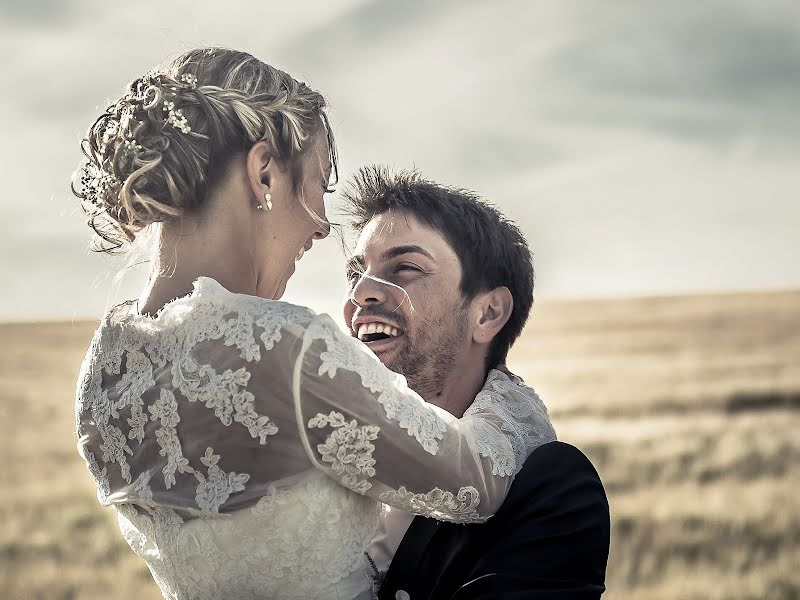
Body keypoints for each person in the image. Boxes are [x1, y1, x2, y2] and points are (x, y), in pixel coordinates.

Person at [72, 47, 555, 599]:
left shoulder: (102, 372)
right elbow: (476, 484)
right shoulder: (286, 349)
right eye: (320, 183)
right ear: (263, 173)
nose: (323, 226)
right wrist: (509, 393)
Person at [340, 168, 610, 599]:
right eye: (356, 273)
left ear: (487, 314)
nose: (360, 295)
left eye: (405, 268)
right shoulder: (319, 450)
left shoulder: (550, 488)